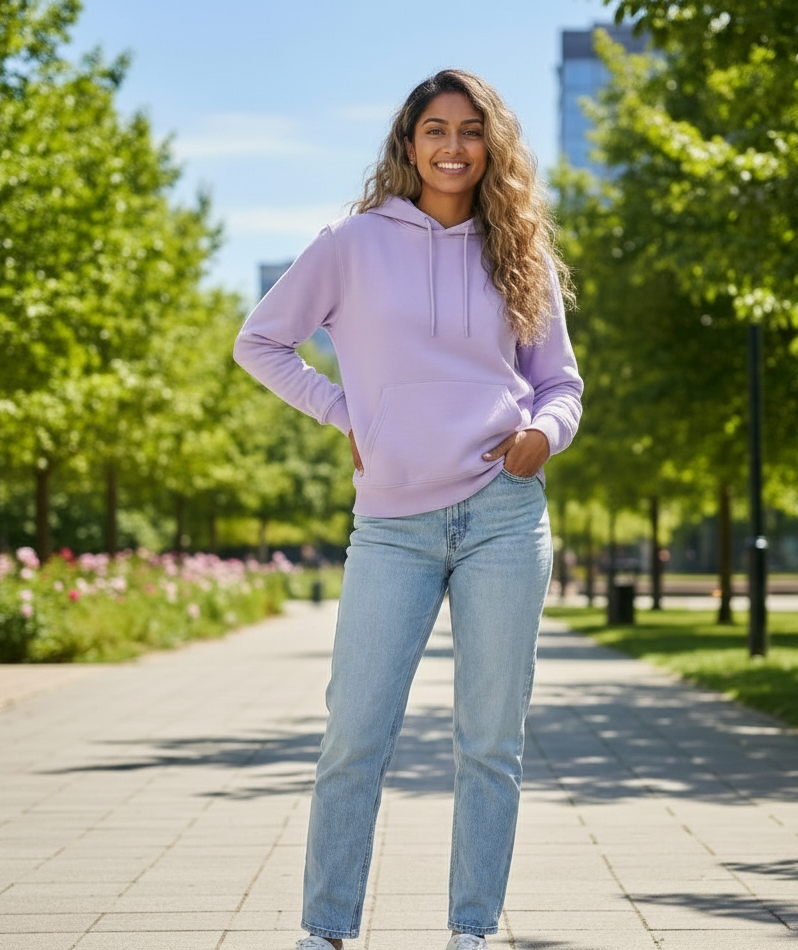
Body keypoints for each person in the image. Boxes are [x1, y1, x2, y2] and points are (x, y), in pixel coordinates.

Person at [233, 68, 583, 950]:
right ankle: (325, 929)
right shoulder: (353, 244)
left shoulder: (521, 249)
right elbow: (260, 340)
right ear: (408, 142)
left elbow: (560, 384)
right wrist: (345, 412)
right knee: (353, 734)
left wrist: (545, 433)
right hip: (392, 522)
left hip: (504, 512)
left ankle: (471, 930)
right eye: (435, 129)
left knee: (490, 743)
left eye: (471, 130)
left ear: (490, 145)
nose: (453, 146)